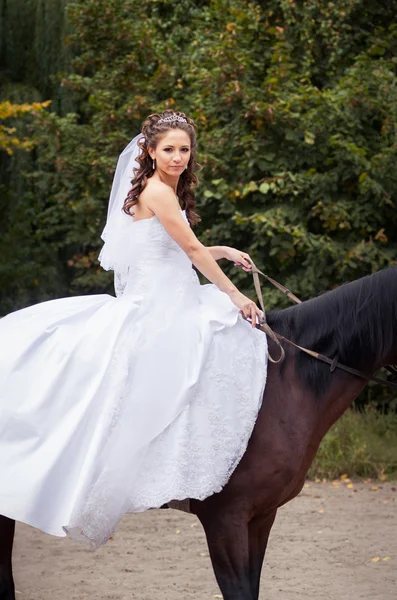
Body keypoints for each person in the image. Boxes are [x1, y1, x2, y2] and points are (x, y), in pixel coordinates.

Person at [0, 109, 268, 549]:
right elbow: (191, 251)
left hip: (175, 293)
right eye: (169, 149)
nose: (178, 157)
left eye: (184, 149)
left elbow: (182, 248)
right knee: (188, 354)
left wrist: (222, 250)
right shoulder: (158, 191)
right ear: (150, 151)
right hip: (158, 304)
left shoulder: (165, 191)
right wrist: (236, 295)